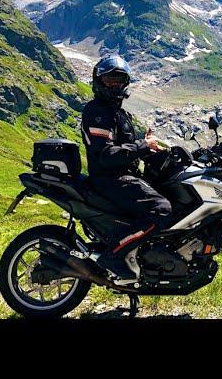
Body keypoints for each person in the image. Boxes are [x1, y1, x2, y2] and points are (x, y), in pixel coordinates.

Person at [81, 55, 172, 277]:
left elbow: (127, 146)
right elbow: (106, 155)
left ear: (125, 83)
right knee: (161, 210)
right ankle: (113, 255)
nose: (114, 84)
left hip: (124, 176)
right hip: (110, 179)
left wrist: (151, 148)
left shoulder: (119, 114)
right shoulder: (98, 112)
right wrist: (142, 145)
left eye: (119, 80)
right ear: (98, 81)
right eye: (109, 80)